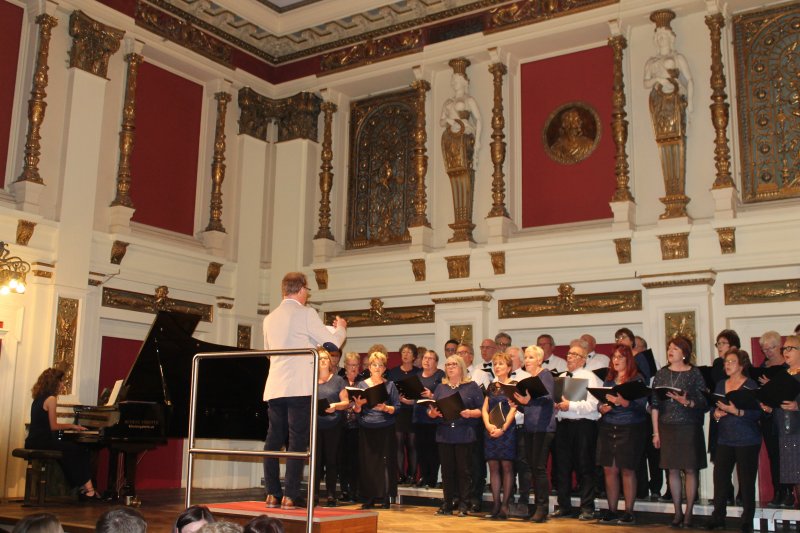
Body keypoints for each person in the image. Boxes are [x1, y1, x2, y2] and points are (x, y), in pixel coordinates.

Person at [262, 272, 347, 510]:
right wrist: (340, 329)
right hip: (298, 386)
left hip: (275, 385)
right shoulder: (306, 313)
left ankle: (272, 493)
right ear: (301, 289)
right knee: (297, 439)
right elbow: (332, 344)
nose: (307, 294)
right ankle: (290, 495)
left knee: (273, 439)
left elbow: (268, 353)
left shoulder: (269, 318)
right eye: (307, 289)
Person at [651, 335, 708, 528]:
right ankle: (677, 512)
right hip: (667, 426)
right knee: (672, 469)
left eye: (675, 348)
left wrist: (687, 401)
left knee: (690, 468)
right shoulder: (661, 373)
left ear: (684, 353)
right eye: (669, 347)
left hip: (689, 426)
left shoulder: (694, 373)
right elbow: (655, 404)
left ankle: (689, 513)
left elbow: (704, 401)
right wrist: (656, 432)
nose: (670, 351)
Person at [24, 367, 99, 501]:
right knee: (79, 449)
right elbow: (54, 426)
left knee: (70, 451)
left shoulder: (37, 399)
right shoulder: (51, 399)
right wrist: (73, 426)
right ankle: (89, 490)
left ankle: (84, 487)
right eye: (61, 381)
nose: (63, 384)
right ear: (54, 382)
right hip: (42, 442)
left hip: (32, 441)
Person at [706, 349, 761, 533]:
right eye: (726, 362)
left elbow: (757, 413)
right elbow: (714, 409)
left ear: (742, 365)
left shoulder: (750, 385)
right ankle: (718, 517)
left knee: (746, 482)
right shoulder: (721, 384)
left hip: (748, 440)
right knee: (720, 480)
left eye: (732, 361)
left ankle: (747, 520)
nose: (727, 365)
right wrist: (716, 414)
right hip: (725, 439)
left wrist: (736, 412)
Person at [550, 338, 602, 520]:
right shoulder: (562, 377)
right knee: (562, 467)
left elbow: (593, 405)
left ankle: (587, 507)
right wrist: (557, 407)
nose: (569, 357)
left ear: (583, 359)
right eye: (569, 354)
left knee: (584, 467)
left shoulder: (589, 377)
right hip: (563, 425)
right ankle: (564, 506)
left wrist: (570, 405)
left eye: (574, 354)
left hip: (583, 426)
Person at [596, 344, 648, 525]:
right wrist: (601, 408)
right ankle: (612, 510)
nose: (616, 360)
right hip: (608, 426)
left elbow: (642, 406)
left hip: (630, 427)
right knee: (609, 469)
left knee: (627, 469)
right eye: (614, 357)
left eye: (620, 357)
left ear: (628, 360)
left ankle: (628, 512)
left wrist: (623, 401)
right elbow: (601, 400)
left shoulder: (636, 379)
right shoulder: (610, 379)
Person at [428, 354, 484, 516]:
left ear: (461, 367)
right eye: (448, 365)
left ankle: (464, 504)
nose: (450, 367)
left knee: (464, 471)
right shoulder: (441, 387)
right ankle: (447, 504)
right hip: (444, 433)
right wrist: (432, 413)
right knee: (447, 471)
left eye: (454, 364)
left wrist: (470, 413)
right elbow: (432, 409)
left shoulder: (471, 386)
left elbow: (482, 410)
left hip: (464, 433)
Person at [511, 345, 555, 523]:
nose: (527, 360)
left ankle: (542, 508)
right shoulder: (529, 379)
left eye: (530, 357)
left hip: (543, 428)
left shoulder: (545, 375)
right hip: (530, 427)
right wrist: (519, 404)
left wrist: (529, 400)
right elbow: (530, 406)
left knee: (539, 468)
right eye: (526, 357)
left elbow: (549, 398)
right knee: (532, 467)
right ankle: (537, 507)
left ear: (539, 359)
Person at [353, 351, 400, 509]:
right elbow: (357, 410)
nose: (377, 367)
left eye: (380, 365)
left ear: (385, 368)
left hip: (385, 427)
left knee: (385, 462)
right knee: (368, 463)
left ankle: (385, 497)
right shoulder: (361, 385)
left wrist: (386, 408)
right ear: (369, 367)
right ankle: (369, 497)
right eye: (374, 365)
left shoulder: (390, 385)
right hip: (367, 427)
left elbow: (397, 407)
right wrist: (358, 406)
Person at [761, 335, 800, 512]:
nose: (786, 352)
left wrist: (798, 405)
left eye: (791, 348)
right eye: (785, 348)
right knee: (793, 476)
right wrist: (771, 408)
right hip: (784, 432)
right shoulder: (782, 375)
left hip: (798, 430)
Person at [481, 352, 517, 520]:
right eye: (495, 364)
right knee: (493, 467)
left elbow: (513, 409)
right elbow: (484, 408)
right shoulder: (491, 386)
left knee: (507, 467)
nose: (497, 366)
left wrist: (502, 428)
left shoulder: (514, 385)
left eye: (501, 363)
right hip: (491, 430)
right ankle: (495, 504)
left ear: (509, 367)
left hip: (507, 431)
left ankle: (505, 506)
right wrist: (488, 425)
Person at [315, 349, 349, 506]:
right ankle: (314, 494)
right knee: (316, 460)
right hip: (315, 425)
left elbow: (346, 402)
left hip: (333, 425)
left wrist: (335, 405)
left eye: (325, 358)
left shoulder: (338, 380)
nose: (323, 360)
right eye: (320, 358)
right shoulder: (311, 380)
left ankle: (330, 494)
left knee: (331, 459)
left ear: (330, 362)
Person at [386, 343, 422, 485]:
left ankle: (412, 475)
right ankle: (401, 475)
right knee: (399, 443)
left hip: (413, 411)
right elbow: (388, 391)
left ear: (414, 357)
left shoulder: (418, 372)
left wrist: (411, 400)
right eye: (403, 352)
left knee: (412, 443)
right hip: (399, 411)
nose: (405, 355)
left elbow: (421, 393)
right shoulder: (393, 372)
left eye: (409, 352)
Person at [414, 350, 444, 488]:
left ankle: (432, 479)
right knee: (421, 450)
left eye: (430, 358)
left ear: (436, 362)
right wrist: (406, 399)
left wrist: (431, 395)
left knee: (433, 451)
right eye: (425, 358)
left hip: (434, 419)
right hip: (419, 418)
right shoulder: (417, 375)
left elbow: (443, 396)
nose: (426, 360)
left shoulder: (440, 375)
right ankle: (424, 477)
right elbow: (414, 397)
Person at [337, 352, 362, 503]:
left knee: (355, 460)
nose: (353, 368)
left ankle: (355, 490)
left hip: (357, 425)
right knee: (342, 459)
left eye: (356, 365)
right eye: (350, 365)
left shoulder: (362, 383)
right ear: (345, 366)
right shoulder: (339, 381)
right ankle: (344, 490)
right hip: (341, 425)